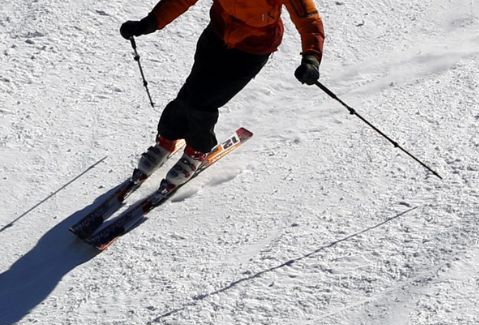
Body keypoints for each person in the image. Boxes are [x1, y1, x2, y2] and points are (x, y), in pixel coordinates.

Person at [120, 0, 325, 186]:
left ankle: (197, 150)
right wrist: (152, 21)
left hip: (252, 50)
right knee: (189, 92)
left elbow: (308, 19)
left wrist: (311, 59)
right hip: (216, 36)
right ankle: (166, 139)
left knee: (204, 101)